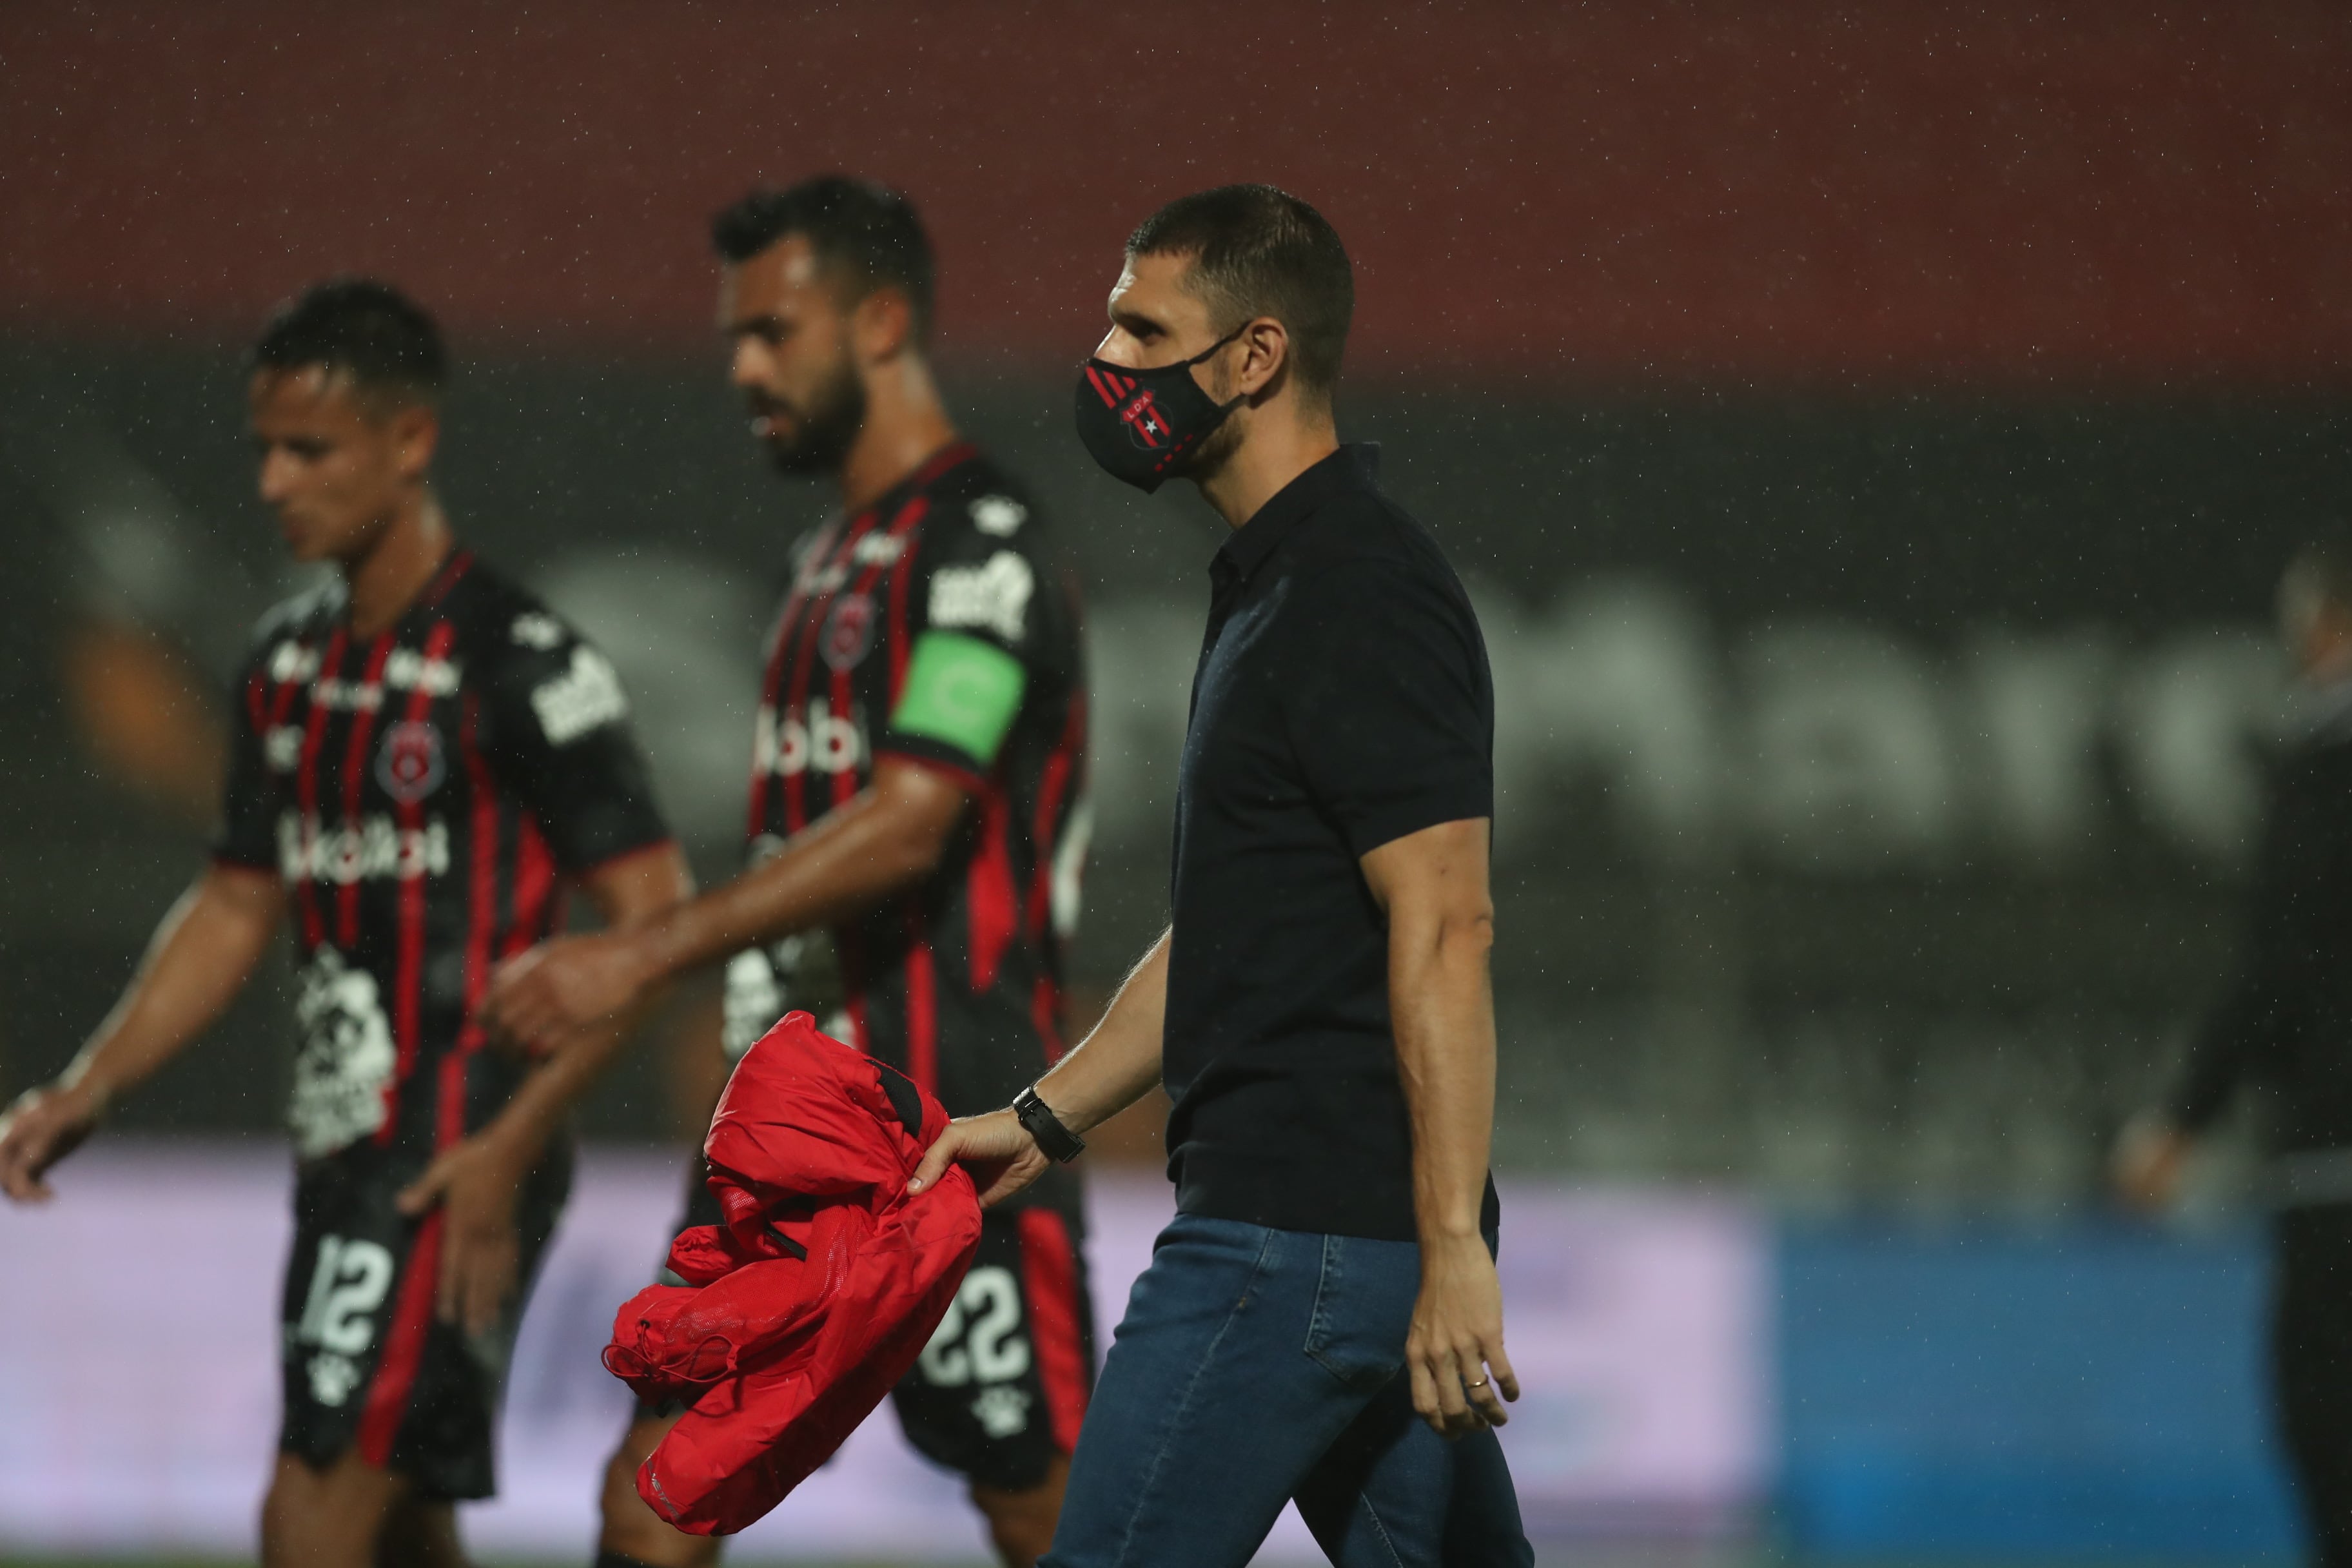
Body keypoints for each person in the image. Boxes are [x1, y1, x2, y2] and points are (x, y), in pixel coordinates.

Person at [0, 279, 691, 1568]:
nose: (275, 482)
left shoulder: (523, 664)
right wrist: (91, 1084)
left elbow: (656, 925)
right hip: (343, 1152)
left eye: (310, 450)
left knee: (309, 1512)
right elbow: (236, 899)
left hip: (456, 1158)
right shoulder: (287, 666)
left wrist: (516, 1141)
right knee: (403, 1519)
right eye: (265, 449)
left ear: (409, 440)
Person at [906, 184, 1533, 1567]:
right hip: (1346, 1257)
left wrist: (1456, 1246)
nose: (1108, 362)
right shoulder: (1280, 582)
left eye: (1143, 330)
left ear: (1254, 357)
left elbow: (1449, 924)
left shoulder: (1357, 589)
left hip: (1283, 1245)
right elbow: (1236, 934)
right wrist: (1043, 1118)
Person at [476, 177, 1094, 1568]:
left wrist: (643, 951)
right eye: (735, 337)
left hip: (945, 1124)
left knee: (1043, 1510)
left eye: (774, 331)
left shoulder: (978, 546)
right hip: (784, 1131)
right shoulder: (823, 563)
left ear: (880, 324)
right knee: (655, 1492)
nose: (746, 368)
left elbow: (914, 819)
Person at [2115, 533, 2352, 1567]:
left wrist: (2182, 1116)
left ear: (2325, 625)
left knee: (2327, 1422)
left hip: (2339, 1162)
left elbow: (2283, 967)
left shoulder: (2327, 763)